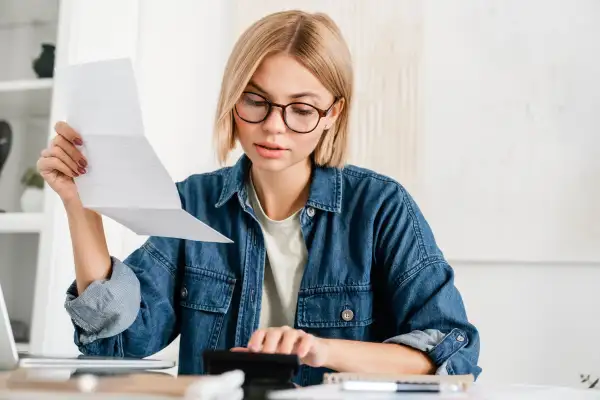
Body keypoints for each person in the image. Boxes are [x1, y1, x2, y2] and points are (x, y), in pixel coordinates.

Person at [37, 10, 481, 386]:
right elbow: (119, 343)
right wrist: (82, 206)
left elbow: (447, 352)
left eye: (302, 110)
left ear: (333, 114)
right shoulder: (193, 203)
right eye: (256, 101)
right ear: (233, 99)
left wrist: (321, 349)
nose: (274, 126)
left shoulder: (380, 208)